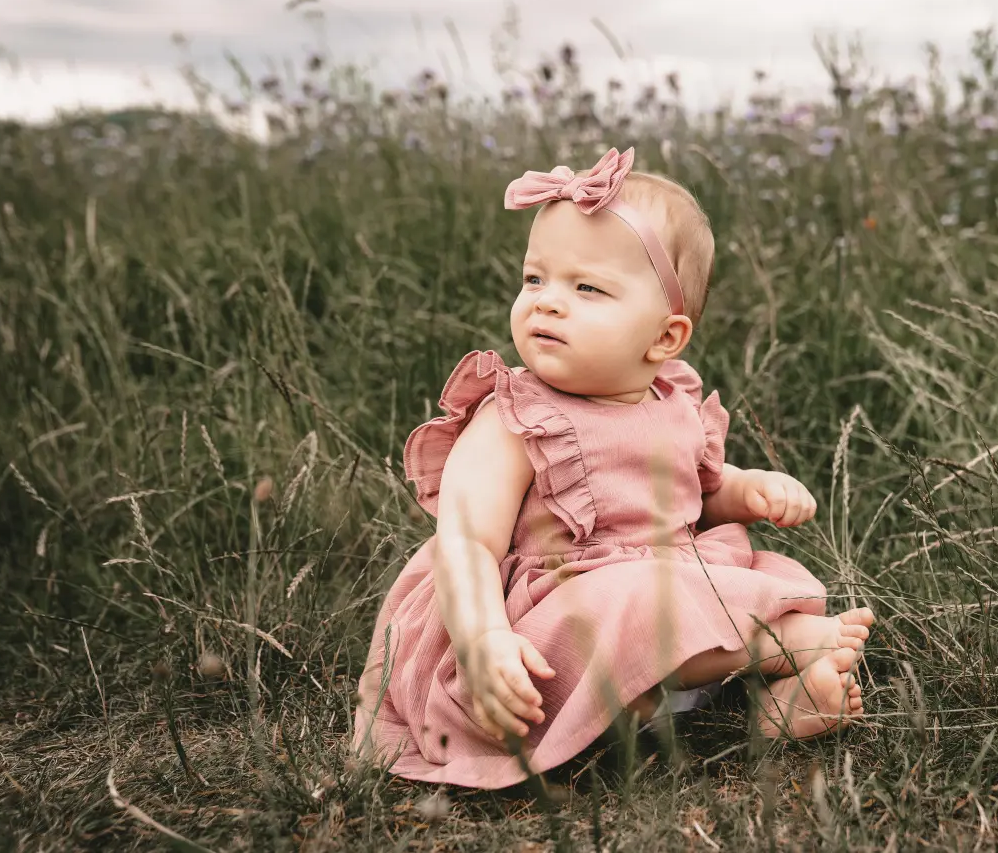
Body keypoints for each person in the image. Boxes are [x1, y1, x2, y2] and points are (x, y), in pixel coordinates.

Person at [352, 147, 873, 788]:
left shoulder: (674, 404)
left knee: (748, 580)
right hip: (551, 615)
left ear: (664, 339)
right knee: (625, 604)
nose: (546, 303)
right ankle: (774, 650)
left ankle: (761, 714)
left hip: (664, 596)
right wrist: (484, 638)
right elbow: (466, 538)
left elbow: (696, 497)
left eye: (587, 288)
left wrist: (749, 490)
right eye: (535, 279)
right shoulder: (514, 417)